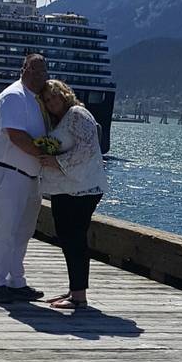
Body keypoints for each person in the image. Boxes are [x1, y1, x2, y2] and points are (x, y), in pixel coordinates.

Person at [0, 53, 49, 305]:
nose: (39, 76)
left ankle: (16, 280)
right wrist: (45, 154)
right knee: (6, 230)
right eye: (34, 71)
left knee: (23, 232)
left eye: (43, 72)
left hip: (30, 176)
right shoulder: (14, 96)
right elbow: (15, 135)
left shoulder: (36, 100)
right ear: (24, 70)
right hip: (8, 171)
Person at [38, 79, 108, 309]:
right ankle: (74, 290)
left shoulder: (78, 113)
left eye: (54, 97)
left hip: (82, 190)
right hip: (67, 190)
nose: (51, 103)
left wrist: (57, 162)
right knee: (67, 239)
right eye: (47, 100)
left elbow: (88, 147)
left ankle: (79, 297)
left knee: (75, 238)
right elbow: (53, 146)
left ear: (65, 94)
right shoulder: (60, 122)